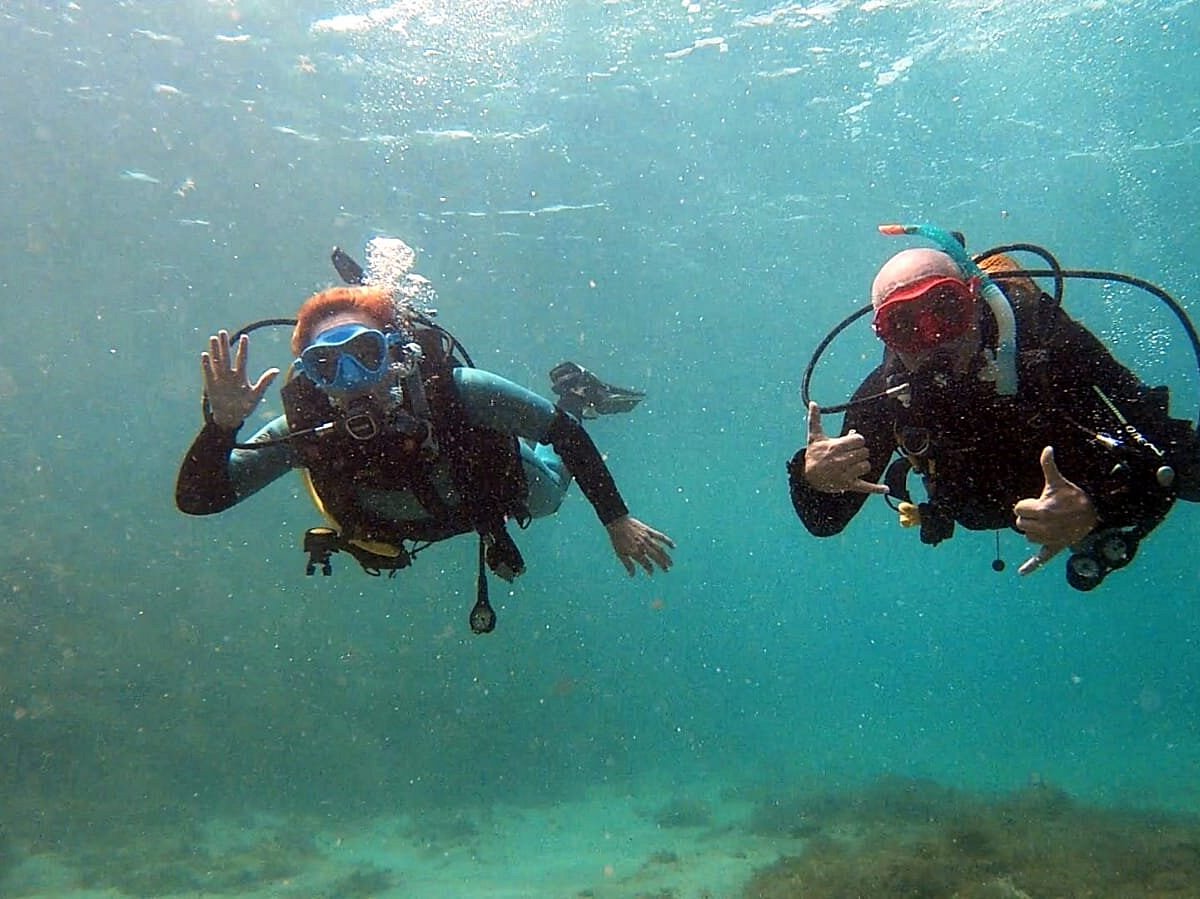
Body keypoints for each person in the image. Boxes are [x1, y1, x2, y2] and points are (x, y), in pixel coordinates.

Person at [176, 239, 674, 631]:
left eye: (367, 355)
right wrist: (221, 429)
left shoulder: (458, 392)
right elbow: (200, 499)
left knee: (548, 494)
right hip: (419, 517)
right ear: (310, 376)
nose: (352, 379)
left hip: (495, 490)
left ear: (397, 353)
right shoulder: (303, 431)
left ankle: (575, 393)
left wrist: (617, 519)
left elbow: (562, 434)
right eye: (327, 365)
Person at [787, 227, 1200, 590]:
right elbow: (826, 521)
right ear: (886, 337)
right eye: (905, 325)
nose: (933, 338)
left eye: (945, 310)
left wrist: (1098, 507)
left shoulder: (1047, 343)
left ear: (974, 301)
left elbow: (1184, 463)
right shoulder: (889, 395)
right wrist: (813, 477)